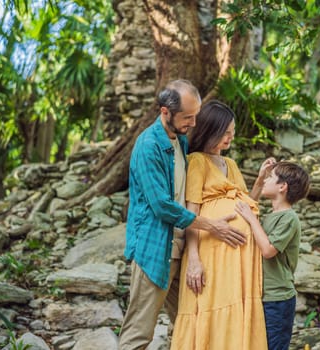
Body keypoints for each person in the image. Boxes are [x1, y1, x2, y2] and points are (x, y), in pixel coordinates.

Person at [119, 80, 248, 350]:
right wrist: (211, 225)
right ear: (166, 112)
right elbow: (161, 205)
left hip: (183, 252)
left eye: (196, 116)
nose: (193, 122)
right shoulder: (148, 146)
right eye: (187, 117)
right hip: (154, 249)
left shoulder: (182, 142)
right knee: (139, 333)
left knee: (193, 326)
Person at [170, 100, 275, 350]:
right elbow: (191, 213)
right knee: (211, 307)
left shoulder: (231, 165)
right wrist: (193, 258)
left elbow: (247, 204)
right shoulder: (196, 161)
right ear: (211, 129)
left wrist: (259, 182)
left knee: (237, 309)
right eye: (226, 132)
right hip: (211, 252)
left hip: (239, 260)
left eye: (232, 132)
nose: (230, 137)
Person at [235, 161, 310, 350]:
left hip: (278, 299)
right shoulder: (269, 216)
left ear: (282, 187)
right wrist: (261, 177)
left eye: (271, 177)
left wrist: (252, 219)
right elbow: (250, 203)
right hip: (263, 296)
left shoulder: (289, 218)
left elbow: (268, 250)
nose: (266, 180)